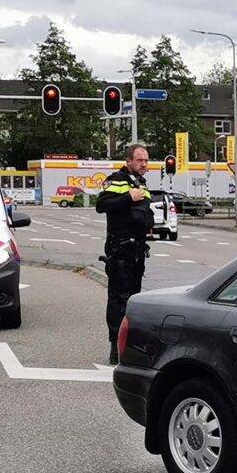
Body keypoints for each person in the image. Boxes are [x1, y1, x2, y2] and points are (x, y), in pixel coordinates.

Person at [96, 144, 153, 365]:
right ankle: (115, 347)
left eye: (146, 160)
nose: (144, 164)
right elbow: (101, 204)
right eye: (140, 160)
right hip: (119, 249)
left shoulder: (142, 183)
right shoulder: (116, 179)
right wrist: (128, 197)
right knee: (118, 299)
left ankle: (130, 345)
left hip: (137, 250)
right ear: (129, 161)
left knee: (134, 299)